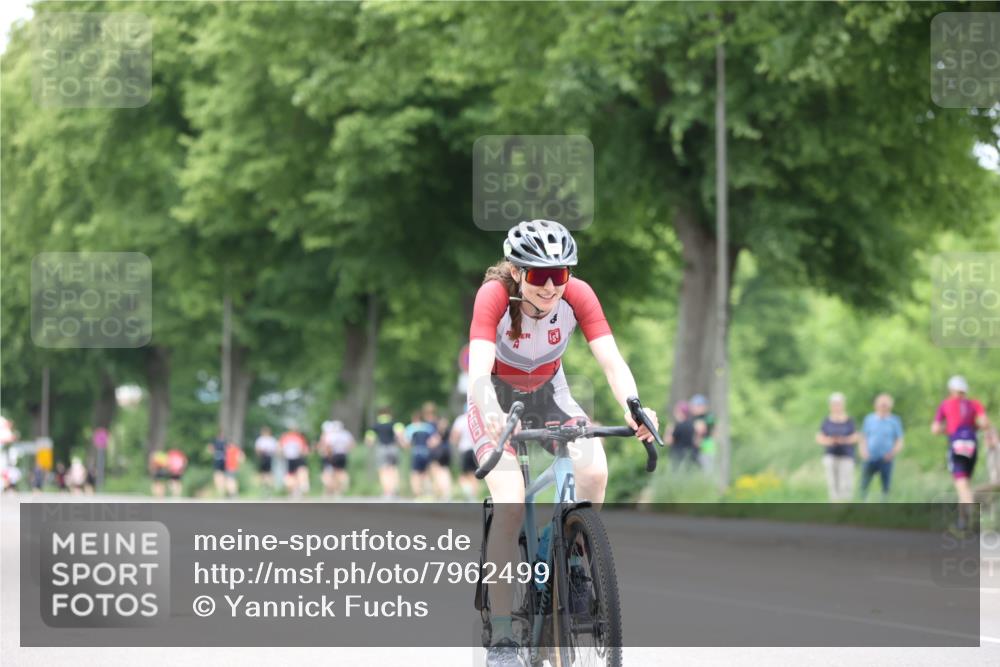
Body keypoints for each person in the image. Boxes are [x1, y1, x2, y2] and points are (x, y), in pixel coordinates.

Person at [466, 220, 658, 666]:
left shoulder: (578, 295)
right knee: (510, 503)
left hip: (550, 395)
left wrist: (634, 406)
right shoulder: (493, 295)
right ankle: (502, 639)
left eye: (560, 273)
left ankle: (572, 558)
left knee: (594, 469)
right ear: (518, 272)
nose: (551, 286)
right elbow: (477, 371)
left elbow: (611, 361)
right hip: (495, 398)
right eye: (539, 275)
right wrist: (490, 411)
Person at [931, 375, 993, 531]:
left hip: (957, 445)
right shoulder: (974, 404)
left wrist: (949, 429)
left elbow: (935, 429)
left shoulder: (946, 404)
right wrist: (974, 427)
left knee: (962, 486)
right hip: (972, 445)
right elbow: (985, 423)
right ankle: (962, 521)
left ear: (951, 390)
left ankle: (973, 519)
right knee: (965, 486)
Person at [858, 393, 904, 501]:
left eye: (886, 404)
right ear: (876, 405)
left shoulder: (895, 421)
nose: (883, 406)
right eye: (881, 404)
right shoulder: (869, 419)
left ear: (890, 406)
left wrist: (892, 453)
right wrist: (863, 451)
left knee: (886, 486)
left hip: (886, 458)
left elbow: (899, 440)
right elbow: (863, 437)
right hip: (870, 457)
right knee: (864, 484)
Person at [816, 392, 858, 502]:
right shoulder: (826, 421)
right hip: (831, 455)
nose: (837, 406)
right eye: (834, 404)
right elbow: (819, 437)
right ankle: (835, 504)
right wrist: (830, 441)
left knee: (846, 482)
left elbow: (856, 437)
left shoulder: (849, 421)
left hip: (846, 455)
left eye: (839, 404)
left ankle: (846, 504)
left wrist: (844, 440)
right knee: (832, 482)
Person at [365, 407, 406, 499]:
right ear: (390, 414)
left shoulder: (375, 426)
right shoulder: (395, 423)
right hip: (393, 448)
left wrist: (370, 445)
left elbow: (369, 441)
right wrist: (402, 444)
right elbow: (400, 435)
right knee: (393, 469)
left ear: (379, 414)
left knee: (383, 471)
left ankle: (387, 492)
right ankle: (394, 491)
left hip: (382, 448)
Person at [404, 409, 439, 498]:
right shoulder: (428, 427)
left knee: (415, 474)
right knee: (426, 473)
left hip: (416, 452)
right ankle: (428, 493)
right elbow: (435, 440)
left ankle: (417, 494)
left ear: (414, 419)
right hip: (426, 452)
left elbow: (407, 443)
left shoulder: (411, 428)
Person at [319, 420, 355, 497]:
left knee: (335, 473)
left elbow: (328, 446)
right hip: (343, 454)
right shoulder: (346, 434)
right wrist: (346, 450)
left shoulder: (332, 435)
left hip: (335, 454)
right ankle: (339, 488)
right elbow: (352, 443)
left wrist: (329, 456)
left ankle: (337, 488)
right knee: (341, 471)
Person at [451, 409, 480, 501]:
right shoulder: (477, 419)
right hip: (476, 450)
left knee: (463, 476)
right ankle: (474, 497)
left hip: (465, 449)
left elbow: (456, 435)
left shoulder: (461, 419)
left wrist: (455, 444)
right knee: (474, 475)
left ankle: (469, 495)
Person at [430, 408, 454, 500]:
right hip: (447, 451)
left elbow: (435, 441)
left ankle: (442, 492)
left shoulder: (440, 430)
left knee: (439, 472)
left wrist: (430, 444)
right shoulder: (449, 429)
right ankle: (447, 492)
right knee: (446, 471)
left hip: (440, 452)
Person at [666, 400, 697, 471]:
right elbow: (695, 441)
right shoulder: (692, 425)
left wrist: (668, 431)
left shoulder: (677, 426)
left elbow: (669, 441)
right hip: (690, 454)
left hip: (677, 455)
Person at [690, 394, 717, 473]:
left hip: (706, 446)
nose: (693, 408)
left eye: (695, 406)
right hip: (696, 448)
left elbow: (706, 430)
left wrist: (699, 438)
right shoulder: (693, 418)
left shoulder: (708, 417)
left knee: (707, 470)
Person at [279, 427, 309, 498]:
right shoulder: (287, 437)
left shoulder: (298, 437)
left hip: (297, 458)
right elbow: (280, 448)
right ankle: (294, 491)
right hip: (290, 459)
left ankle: (297, 490)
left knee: (297, 475)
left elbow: (304, 449)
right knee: (292, 476)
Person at [254, 426, 278, 492]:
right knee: (263, 472)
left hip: (269, 457)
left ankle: (269, 487)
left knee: (269, 472)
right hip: (263, 457)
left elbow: (275, 449)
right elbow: (257, 449)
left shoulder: (271, 440)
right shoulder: (260, 439)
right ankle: (264, 486)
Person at [207, 432, 228, 497]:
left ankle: (220, 490)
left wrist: (214, 452)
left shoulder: (215, 442)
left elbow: (210, 449)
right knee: (221, 475)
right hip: (223, 460)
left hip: (218, 460)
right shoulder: (225, 442)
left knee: (217, 475)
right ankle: (222, 490)